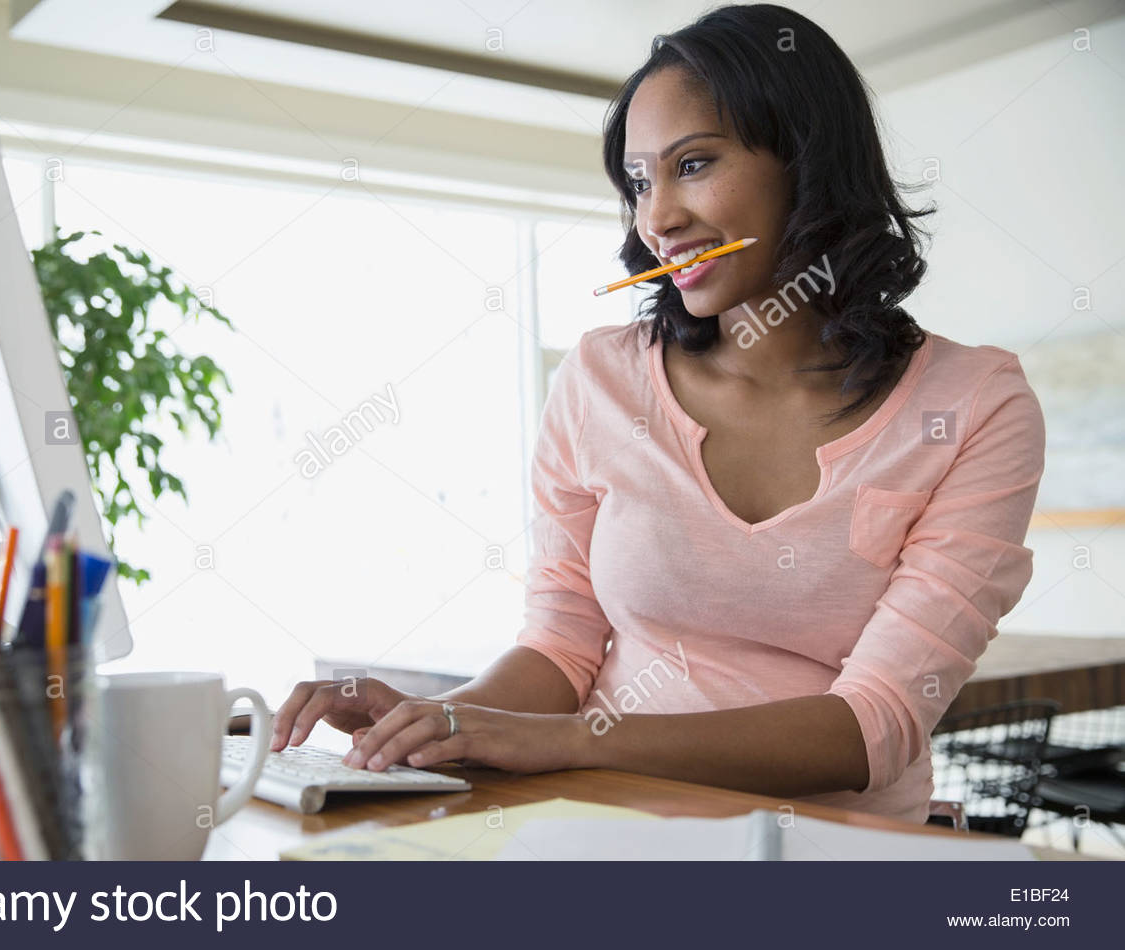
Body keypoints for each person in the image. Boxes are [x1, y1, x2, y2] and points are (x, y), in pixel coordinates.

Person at [269, 3, 1045, 824]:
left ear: (808, 160)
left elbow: (873, 726)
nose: (658, 218)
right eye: (640, 181)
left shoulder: (973, 404)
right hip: (605, 823)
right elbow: (561, 647)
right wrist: (443, 722)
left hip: (835, 856)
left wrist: (573, 741)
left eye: (695, 164)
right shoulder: (600, 379)